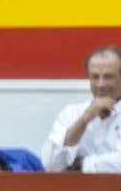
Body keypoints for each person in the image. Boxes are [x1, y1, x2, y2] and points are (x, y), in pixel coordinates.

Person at [42, 45, 121, 174]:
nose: (100, 84)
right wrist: (85, 119)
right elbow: (51, 164)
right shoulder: (71, 113)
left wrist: (80, 165)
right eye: (95, 77)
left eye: (108, 77)